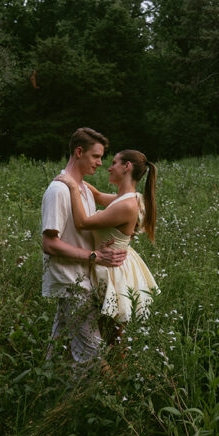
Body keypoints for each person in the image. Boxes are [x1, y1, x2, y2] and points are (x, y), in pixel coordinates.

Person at [41, 127, 127, 369]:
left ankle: (52, 397)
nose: (101, 163)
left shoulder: (83, 190)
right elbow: (49, 243)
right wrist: (95, 256)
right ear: (79, 152)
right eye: (96, 156)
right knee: (94, 357)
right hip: (71, 283)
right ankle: (117, 401)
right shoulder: (58, 190)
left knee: (59, 353)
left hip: (84, 281)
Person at [54, 149, 159, 327]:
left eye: (114, 163)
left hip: (113, 271)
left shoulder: (126, 205)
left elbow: (82, 223)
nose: (109, 168)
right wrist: (75, 177)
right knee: (107, 333)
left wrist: (72, 187)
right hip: (115, 264)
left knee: (111, 335)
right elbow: (97, 196)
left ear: (127, 166)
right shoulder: (127, 198)